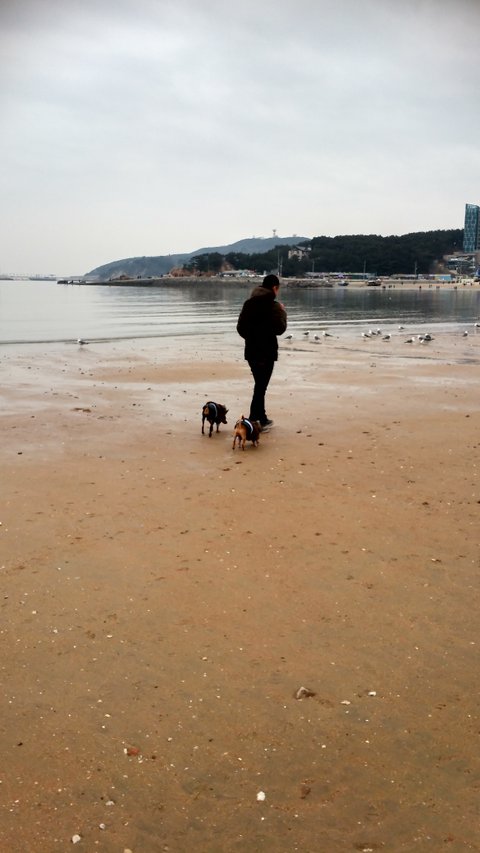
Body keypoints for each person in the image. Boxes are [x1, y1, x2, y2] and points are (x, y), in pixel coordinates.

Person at [236, 273, 287, 430]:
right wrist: (282, 312)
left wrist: (252, 338)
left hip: (251, 351)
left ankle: (261, 417)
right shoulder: (273, 305)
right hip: (267, 352)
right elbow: (280, 329)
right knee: (261, 386)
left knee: (260, 385)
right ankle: (253, 420)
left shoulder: (248, 304)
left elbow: (240, 328)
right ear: (274, 288)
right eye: (278, 289)